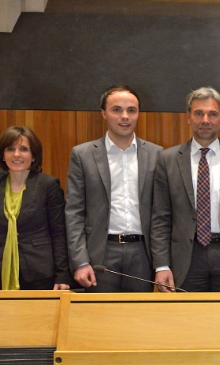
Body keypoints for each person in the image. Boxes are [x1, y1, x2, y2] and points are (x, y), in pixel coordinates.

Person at [65, 85, 162, 292]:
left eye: (131, 110)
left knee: (138, 312)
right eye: (117, 110)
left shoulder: (157, 154)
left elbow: (162, 213)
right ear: (104, 114)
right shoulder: (83, 155)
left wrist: (162, 263)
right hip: (100, 254)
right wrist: (80, 261)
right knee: (100, 312)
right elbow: (74, 212)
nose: (125, 116)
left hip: (143, 254)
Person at [152, 87, 220, 292]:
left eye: (212, 114)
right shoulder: (167, 159)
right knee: (188, 312)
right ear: (188, 117)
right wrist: (162, 265)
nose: (205, 120)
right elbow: (160, 218)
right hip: (186, 257)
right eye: (199, 113)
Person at [0, 126, 69, 290]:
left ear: (33, 155)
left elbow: (59, 234)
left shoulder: (48, 185)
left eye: (24, 149)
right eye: (10, 149)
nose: (16, 154)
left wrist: (62, 274)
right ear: (3, 155)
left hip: (39, 274)